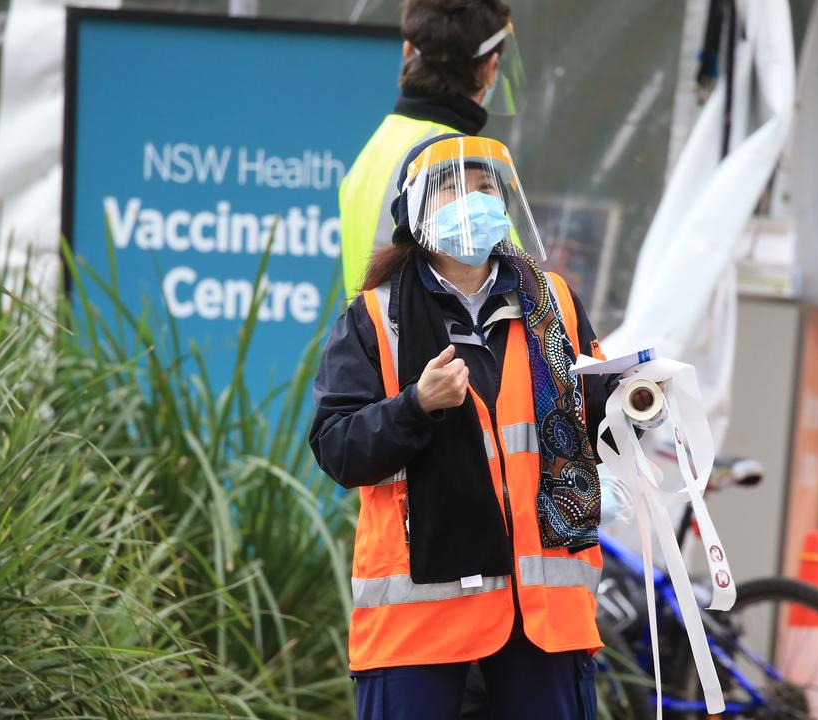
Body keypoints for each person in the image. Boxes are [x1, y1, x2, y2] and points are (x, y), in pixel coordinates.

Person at [311, 135, 610, 719]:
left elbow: (595, 414)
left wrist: (634, 404)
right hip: (420, 624)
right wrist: (415, 406)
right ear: (417, 211)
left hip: (543, 619)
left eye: (486, 187)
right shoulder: (376, 316)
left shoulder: (555, 306)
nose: (474, 200)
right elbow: (337, 448)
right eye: (453, 187)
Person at [338, 0, 525, 301]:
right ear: (491, 69)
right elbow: (520, 290)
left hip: (374, 343)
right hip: (445, 349)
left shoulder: (374, 151)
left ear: (408, 51)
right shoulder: (462, 163)